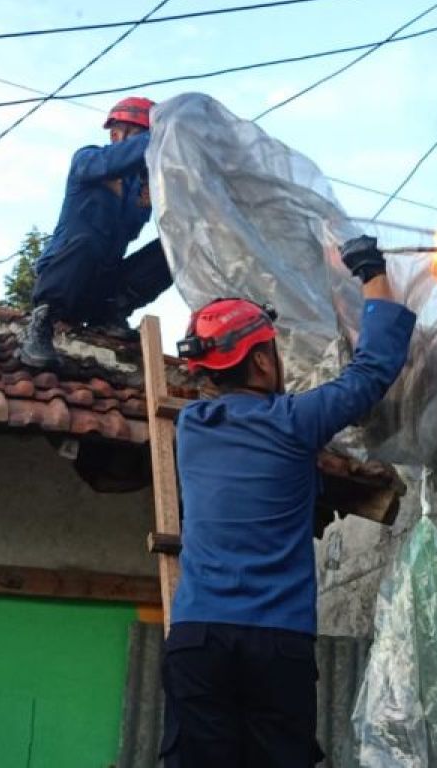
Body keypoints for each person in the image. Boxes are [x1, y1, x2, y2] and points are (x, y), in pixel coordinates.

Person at [161, 235, 415, 767]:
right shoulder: (296, 422)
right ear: (259, 362)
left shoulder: (191, 428)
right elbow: (371, 371)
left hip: (197, 641)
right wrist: (370, 271)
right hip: (275, 644)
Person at [17, 96, 172, 369]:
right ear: (116, 134)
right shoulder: (87, 160)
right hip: (67, 278)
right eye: (141, 135)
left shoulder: (141, 192)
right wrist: (163, 132)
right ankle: (42, 323)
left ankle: (109, 315)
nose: (148, 144)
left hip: (102, 286)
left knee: (171, 249)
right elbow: (116, 161)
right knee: (87, 243)